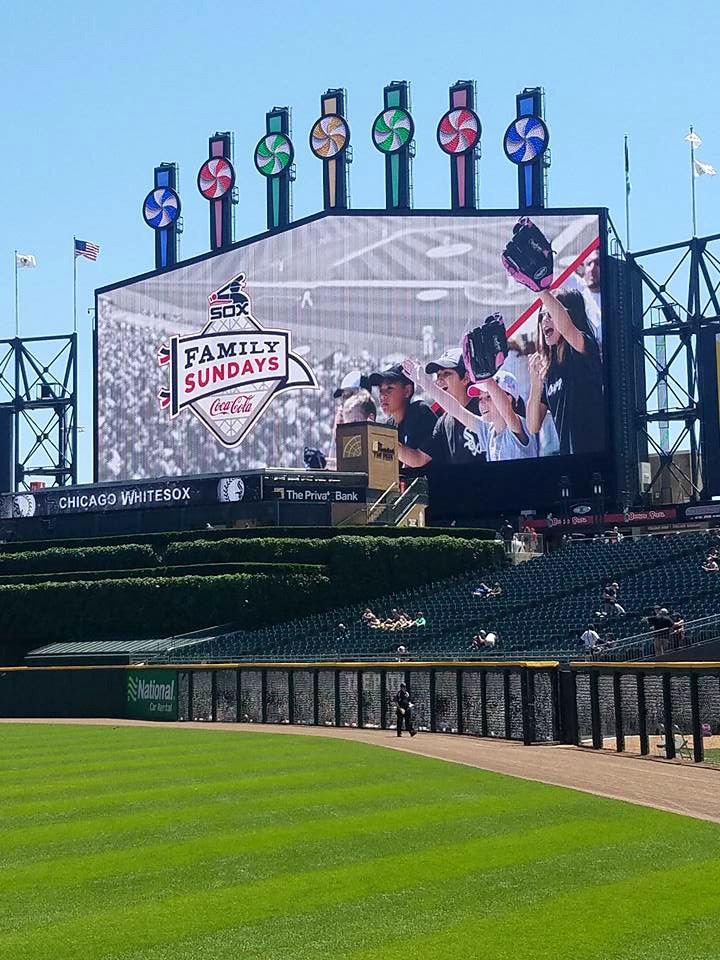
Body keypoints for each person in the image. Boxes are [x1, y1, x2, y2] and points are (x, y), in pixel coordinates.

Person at [405, 361, 538, 462]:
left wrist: (487, 378)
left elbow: (507, 412)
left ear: (508, 399)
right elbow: (456, 409)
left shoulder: (518, 425)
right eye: (480, 398)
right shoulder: (487, 430)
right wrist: (424, 382)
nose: (482, 402)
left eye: (488, 397)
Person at [525, 289, 604, 455]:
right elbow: (533, 426)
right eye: (542, 316)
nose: (544, 320)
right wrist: (536, 384)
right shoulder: (549, 372)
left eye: (550, 314)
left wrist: (540, 289)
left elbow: (567, 328)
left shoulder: (584, 346)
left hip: (596, 453)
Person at [408, 348, 487, 466]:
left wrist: (425, 383)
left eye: (446, 374)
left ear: (466, 378)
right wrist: (388, 443)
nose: (439, 381)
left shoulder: (485, 408)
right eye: (438, 376)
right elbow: (420, 459)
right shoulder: (443, 422)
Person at [368, 364, 437, 472]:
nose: (382, 396)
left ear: (407, 391)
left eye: (389, 388)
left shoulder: (420, 412)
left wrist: (383, 439)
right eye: (381, 390)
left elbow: (419, 460)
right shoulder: (389, 425)